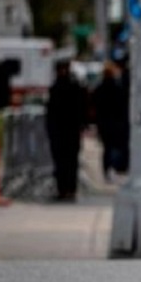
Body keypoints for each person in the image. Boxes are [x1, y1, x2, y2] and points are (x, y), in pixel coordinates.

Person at [46, 60, 87, 201]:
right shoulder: (65, 87)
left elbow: (80, 109)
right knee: (65, 162)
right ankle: (65, 189)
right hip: (64, 131)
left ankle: (68, 189)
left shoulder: (66, 87)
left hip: (67, 131)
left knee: (67, 161)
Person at [92, 62, 130, 181]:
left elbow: (95, 106)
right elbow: (122, 105)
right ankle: (115, 167)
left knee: (107, 148)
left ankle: (107, 169)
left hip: (104, 123)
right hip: (116, 123)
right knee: (116, 146)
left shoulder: (99, 89)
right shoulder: (117, 88)